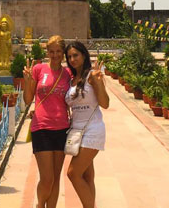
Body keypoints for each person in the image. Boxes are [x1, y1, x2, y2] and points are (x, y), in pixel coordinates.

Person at [23, 35, 71, 208]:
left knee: (56, 178)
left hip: (62, 128)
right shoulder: (38, 69)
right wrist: (27, 81)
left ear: (63, 53)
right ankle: (40, 204)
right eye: (51, 51)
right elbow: (28, 99)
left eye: (58, 51)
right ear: (47, 52)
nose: (55, 55)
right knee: (47, 178)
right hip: (41, 127)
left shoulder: (68, 73)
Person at [64, 41, 109, 208]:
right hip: (77, 131)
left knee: (73, 173)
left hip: (92, 130)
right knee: (87, 176)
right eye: (69, 57)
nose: (73, 59)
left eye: (76, 55)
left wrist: (98, 83)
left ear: (84, 55)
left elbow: (105, 103)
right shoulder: (71, 79)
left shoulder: (92, 75)